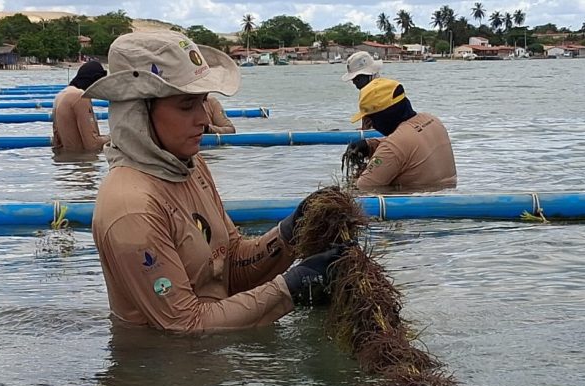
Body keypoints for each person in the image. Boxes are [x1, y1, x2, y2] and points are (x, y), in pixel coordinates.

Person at [85, 31, 344, 333]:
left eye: (203, 102)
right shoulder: (131, 207)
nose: (203, 119)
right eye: (186, 106)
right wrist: (291, 288)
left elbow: (231, 263)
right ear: (138, 112)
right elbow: (185, 325)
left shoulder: (192, 167)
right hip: (168, 359)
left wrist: (289, 233)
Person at [343, 77, 457, 191]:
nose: (372, 125)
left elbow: (363, 187)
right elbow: (407, 145)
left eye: (370, 120)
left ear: (383, 116)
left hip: (415, 200)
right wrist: (370, 145)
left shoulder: (393, 147)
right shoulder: (432, 120)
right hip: (448, 194)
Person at [52, 61, 110, 152]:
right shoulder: (80, 97)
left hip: (65, 157)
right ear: (95, 80)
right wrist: (113, 137)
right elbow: (92, 145)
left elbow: (56, 141)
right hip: (81, 158)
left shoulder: (60, 95)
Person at [341, 51, 383, 130]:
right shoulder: (371, 91)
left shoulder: (376, 94)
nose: (353, 81)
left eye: (357, 78)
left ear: (368, 75)